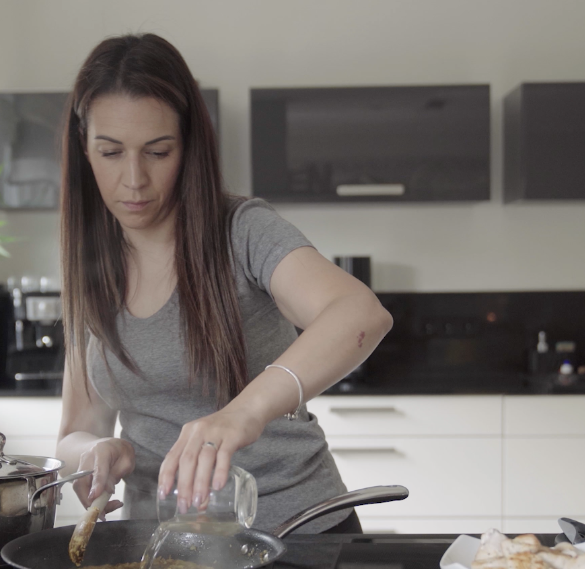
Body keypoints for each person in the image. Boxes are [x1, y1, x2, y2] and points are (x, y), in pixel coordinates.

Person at [54, 33, 392, 535]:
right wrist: (93, 451)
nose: (134, 179)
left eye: (157, 151)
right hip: (160, 547)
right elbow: (75, 430)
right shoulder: (90, 266)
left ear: (188, 148)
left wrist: (242, 414)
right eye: (110, 152)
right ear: (84, 150)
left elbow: (360, 314)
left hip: (293, 535)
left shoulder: (243, 230)